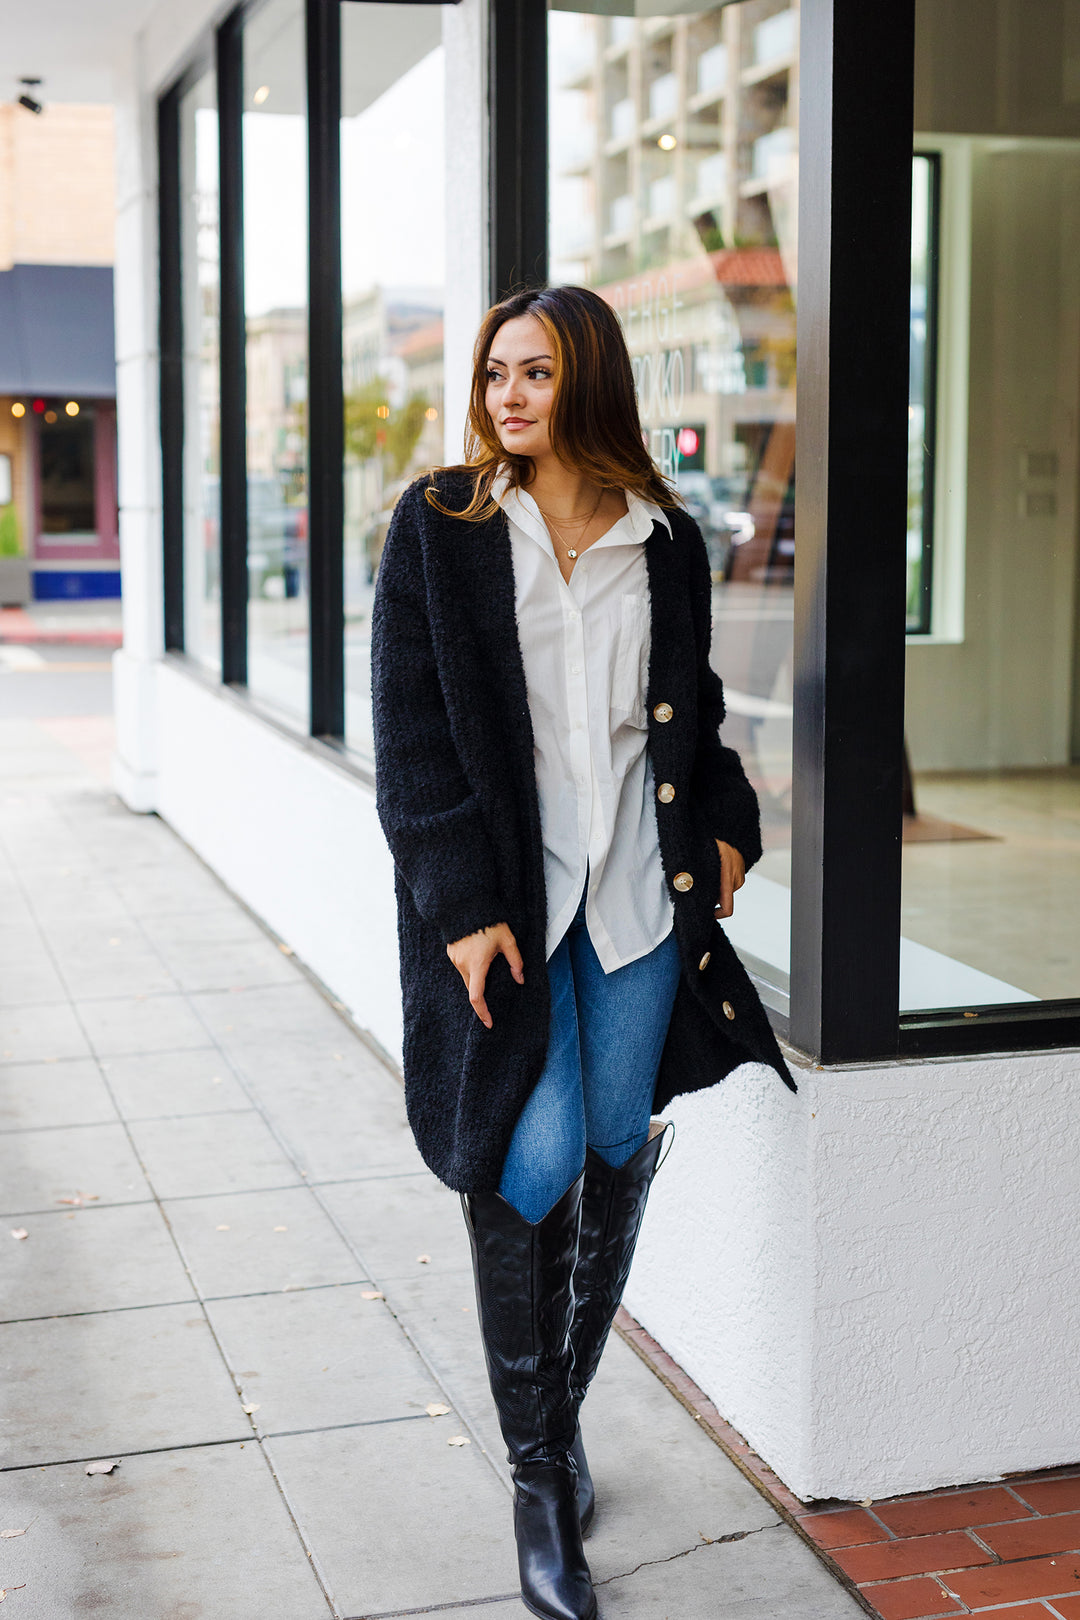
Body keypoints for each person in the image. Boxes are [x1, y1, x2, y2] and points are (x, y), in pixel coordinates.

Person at [371, 285, 795, 1620]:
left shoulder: (663, 541)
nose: (505, 395)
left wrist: (729, 834)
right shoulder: (442, 529)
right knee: (533, 1149)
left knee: (615, 1132)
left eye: (535, 372)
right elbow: (413, 730)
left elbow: (696, 720)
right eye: (496, 372)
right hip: (506, 904)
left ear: (589, 383)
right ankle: (542, 1480)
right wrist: (456, 902)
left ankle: (553, 1420)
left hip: (635, 902)